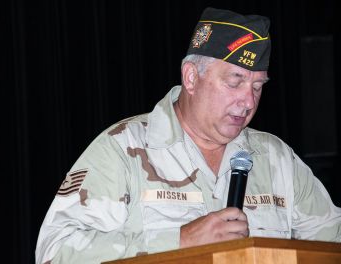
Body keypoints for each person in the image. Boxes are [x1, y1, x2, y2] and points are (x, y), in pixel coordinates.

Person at [35, 7, 341, 264]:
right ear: (192, 78)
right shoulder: (122, 148)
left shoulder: (277, 159)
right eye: (235, 81)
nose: (248, 102)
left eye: (258, 86)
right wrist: (180, 240)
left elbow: (332, 243)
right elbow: (54, 251)